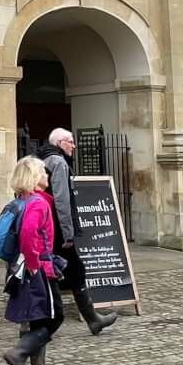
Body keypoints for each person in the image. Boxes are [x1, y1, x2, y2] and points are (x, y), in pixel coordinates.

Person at [40, 128, 119, 334]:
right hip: (56, 227)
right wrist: (67, 232)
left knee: (49, 271)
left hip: (43, 225)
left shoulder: (38, 158)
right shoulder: (57, 162)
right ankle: (90, 319)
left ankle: (91, 319)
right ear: (59, 143)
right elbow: (62, 199)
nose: (73, 146)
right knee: (74, 270)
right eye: (70, 142)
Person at [2, 155, 64, 365]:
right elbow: (29, 234)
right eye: (44, 172)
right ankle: (19, 352)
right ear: (36, 177)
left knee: (38, 319)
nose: (47, 175)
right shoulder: (37, 203)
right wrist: (34, 264)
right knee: (55, 315)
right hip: (39, 268)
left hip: (24, 267)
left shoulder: (23, 200)